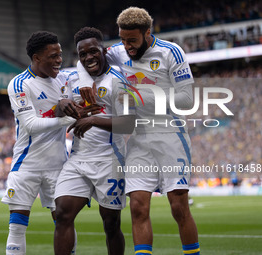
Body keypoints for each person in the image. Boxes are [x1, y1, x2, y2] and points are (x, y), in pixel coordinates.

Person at [77, 7, 200, 255]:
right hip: (137, 139)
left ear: (147, 32)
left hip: (170, 136)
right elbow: (85, 59)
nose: (127, 46)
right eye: (123, 40)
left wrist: (140, 97)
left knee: (178, 207)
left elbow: (187, 100)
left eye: (132, 40)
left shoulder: (170, 52)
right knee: (138, 207)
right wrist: (83, 83)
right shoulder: (119, 52)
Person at [54, 27, 135, 255]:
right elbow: (59, 113)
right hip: (79, 159)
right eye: (83, 54)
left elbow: (129, 123)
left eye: (93, 51)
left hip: (110, 160)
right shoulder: (71, 79)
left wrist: (94, 120)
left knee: (111, 223)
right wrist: (62, 106)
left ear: (103, 50)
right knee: (62, 213)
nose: (88, 57)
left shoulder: (119, 81)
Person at [1, 31, 80, 255]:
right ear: (36, 58)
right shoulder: (19, 84)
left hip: (58, 165)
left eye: (60, 55)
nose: (59, 60)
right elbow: (31, 125)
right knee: (17, 226)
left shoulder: (64, 80)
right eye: (53, 56)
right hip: (27, 164)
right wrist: (67, 118)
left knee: (64, 221)